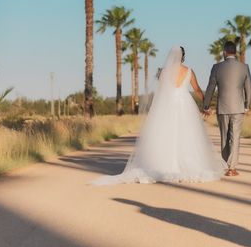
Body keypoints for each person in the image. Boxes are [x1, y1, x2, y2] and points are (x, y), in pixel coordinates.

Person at [92, 46, 224, 185]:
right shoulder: (188, 71)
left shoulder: (164, 72)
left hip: (168, 104)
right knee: (187, 133)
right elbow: (197, 89)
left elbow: (161, 91)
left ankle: (163, 164)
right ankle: (187, 163)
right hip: (185, 104)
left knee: (167, 134)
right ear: (183, 56)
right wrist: (205, 105)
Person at [203, 40, 251, 176]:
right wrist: (247, 105)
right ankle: (232, 168)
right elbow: (249, 88)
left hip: (222, 108)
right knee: (235, 137)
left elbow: (210, 88)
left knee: (224, 136)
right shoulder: (244, 67)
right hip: (238, 107)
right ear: (235, 52)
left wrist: (206, 105)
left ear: (224, 52)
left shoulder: (216, 67)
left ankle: (225, 165)